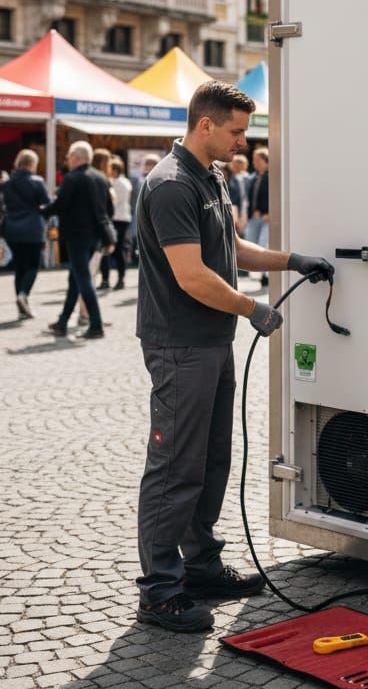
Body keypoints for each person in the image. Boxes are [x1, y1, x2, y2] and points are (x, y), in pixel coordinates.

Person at [134, 80, 333, 633]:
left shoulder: (211, 177)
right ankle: (159, 591)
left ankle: (199, 569)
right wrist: (252, 307)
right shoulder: (172, 184)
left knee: (210, 461)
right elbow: (192, 274)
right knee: (175, 467)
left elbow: (231, 249)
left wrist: (293, 260)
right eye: (237, 132)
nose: (244, 142)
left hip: (209, 343)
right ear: (206, 125)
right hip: (180, 344)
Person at [41, 141, 115, 340]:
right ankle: (63, 322)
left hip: (76, 236)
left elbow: (59, 205)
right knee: (75, 278)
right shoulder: (100, 178)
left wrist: (42, 210)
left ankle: (96, 325)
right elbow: (109, 210)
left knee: (82, 279)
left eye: (68, 157)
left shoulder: (72, 178)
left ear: (75, 157)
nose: (67, 160)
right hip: (94, 237)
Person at [1, 148, 51, 318]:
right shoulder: (37, 181)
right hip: (32, 229)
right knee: (33, 265)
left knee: (20, 267)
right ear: (32, 164)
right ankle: (23, 294)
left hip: (12, 229)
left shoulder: (7, 183)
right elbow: (46, 205)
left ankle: (21, 305)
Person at [101, 156, 133, 290]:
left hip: (114, 218)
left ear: (114, 170)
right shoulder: (127, 182)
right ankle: (120, 278)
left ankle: (106, 279)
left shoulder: (114, 183)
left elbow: (112, 201)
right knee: (119, 249)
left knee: (108, 248)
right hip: (124, 217)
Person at [245, 146, 270, 287]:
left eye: (257, 160)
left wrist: (270, 212)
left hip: (266, 217)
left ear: (265, 161)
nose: (254, 162)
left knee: (263, 244)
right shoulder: (253, 177)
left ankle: (266, 276)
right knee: (251, 242)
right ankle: (257, 273)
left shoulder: (271, 177)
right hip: (254, 217)